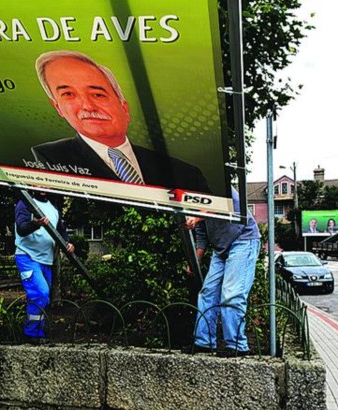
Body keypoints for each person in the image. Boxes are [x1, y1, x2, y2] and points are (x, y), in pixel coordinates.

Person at [31, 50, 210, 193]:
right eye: (68, 94)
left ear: (125, 108)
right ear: (58, 107)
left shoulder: (185, 173)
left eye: (98, 95)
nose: (87, 106)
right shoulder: (49, 159)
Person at [184, 187, 261, 357]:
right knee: (208, 293)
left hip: (243, 240)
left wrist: (195, 217)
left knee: (232, 293)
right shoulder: (193, 197)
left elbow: (220, 206)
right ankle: (204, 342)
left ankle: (237, 346)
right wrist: (195, 260)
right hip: (220, 249)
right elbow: (201, 235)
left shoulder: (220, 186)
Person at [14, 190, 74, 343]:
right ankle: (31, 334)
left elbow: (60, 229)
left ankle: (39, 332)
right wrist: (36, 224)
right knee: (40, 293)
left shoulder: (53, 207)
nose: (42, 186)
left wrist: (67, 242)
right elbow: (22, 228)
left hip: (46, 260)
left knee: (44, 298)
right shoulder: (26, 203)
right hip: (28, 256)